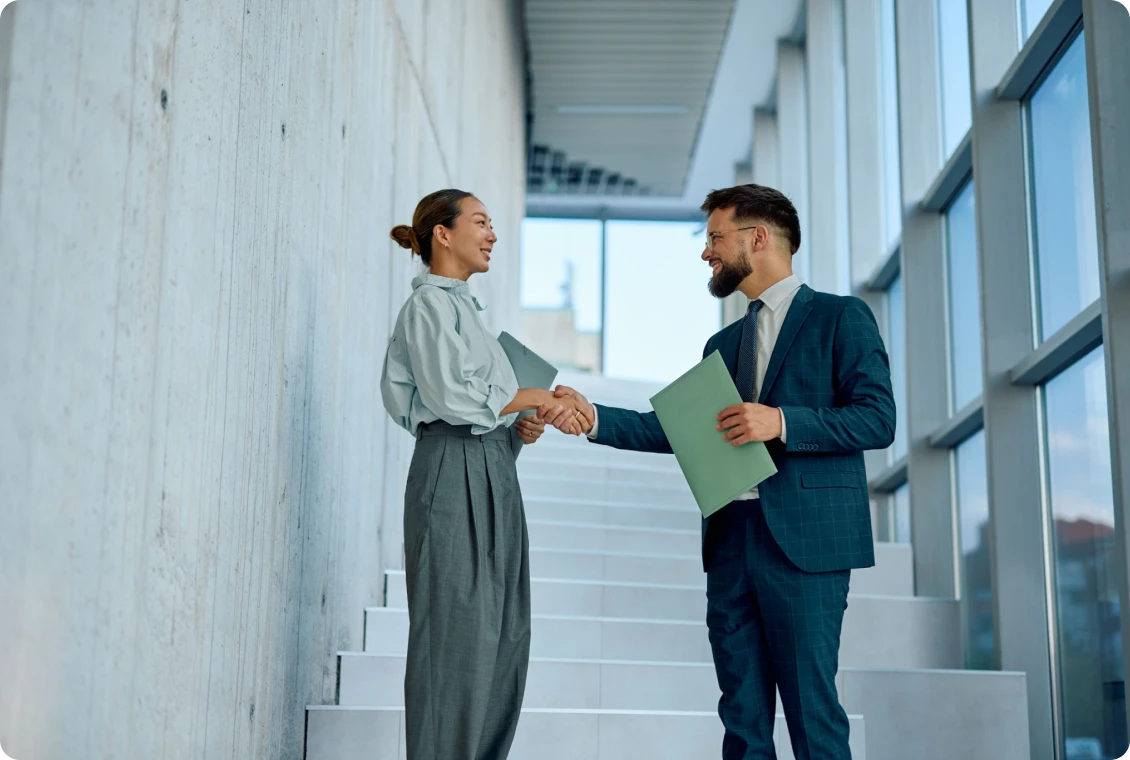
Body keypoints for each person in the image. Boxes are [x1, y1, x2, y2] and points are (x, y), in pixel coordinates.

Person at [539, 184, 895, 760]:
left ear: (757, 238)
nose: (706, 252)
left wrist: (780, 422)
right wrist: (593, 415)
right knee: (742, 720)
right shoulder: (723, 343)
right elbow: (680, 429)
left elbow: (877, 419)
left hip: (805, 546)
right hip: (732, 542)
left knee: (813, 714)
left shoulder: (840, 317)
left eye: (714, 237)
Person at [380, 188, 590, 760]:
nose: (492, 233)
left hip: (492, 473)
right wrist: (531, 397)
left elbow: (481, 404)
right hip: (452, 472)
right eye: (480, 222)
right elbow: (452, 397)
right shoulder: (427, 307)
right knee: (455, 644)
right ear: (443, 234)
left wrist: (517, 424)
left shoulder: (466, 313)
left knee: (503, 639)